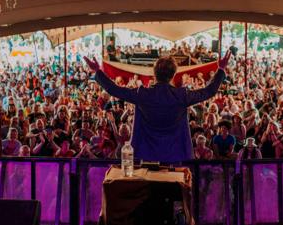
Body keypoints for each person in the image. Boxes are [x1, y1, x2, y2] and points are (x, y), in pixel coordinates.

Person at [83, 51, 231, 162]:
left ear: (154, 74)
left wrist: (97, 71)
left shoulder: (143, 94)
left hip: (146, 155)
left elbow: (114, 89)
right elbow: (209, 91)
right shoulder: (181, 95)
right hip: (176, 155)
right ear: (173, 75)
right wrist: (221, 69)